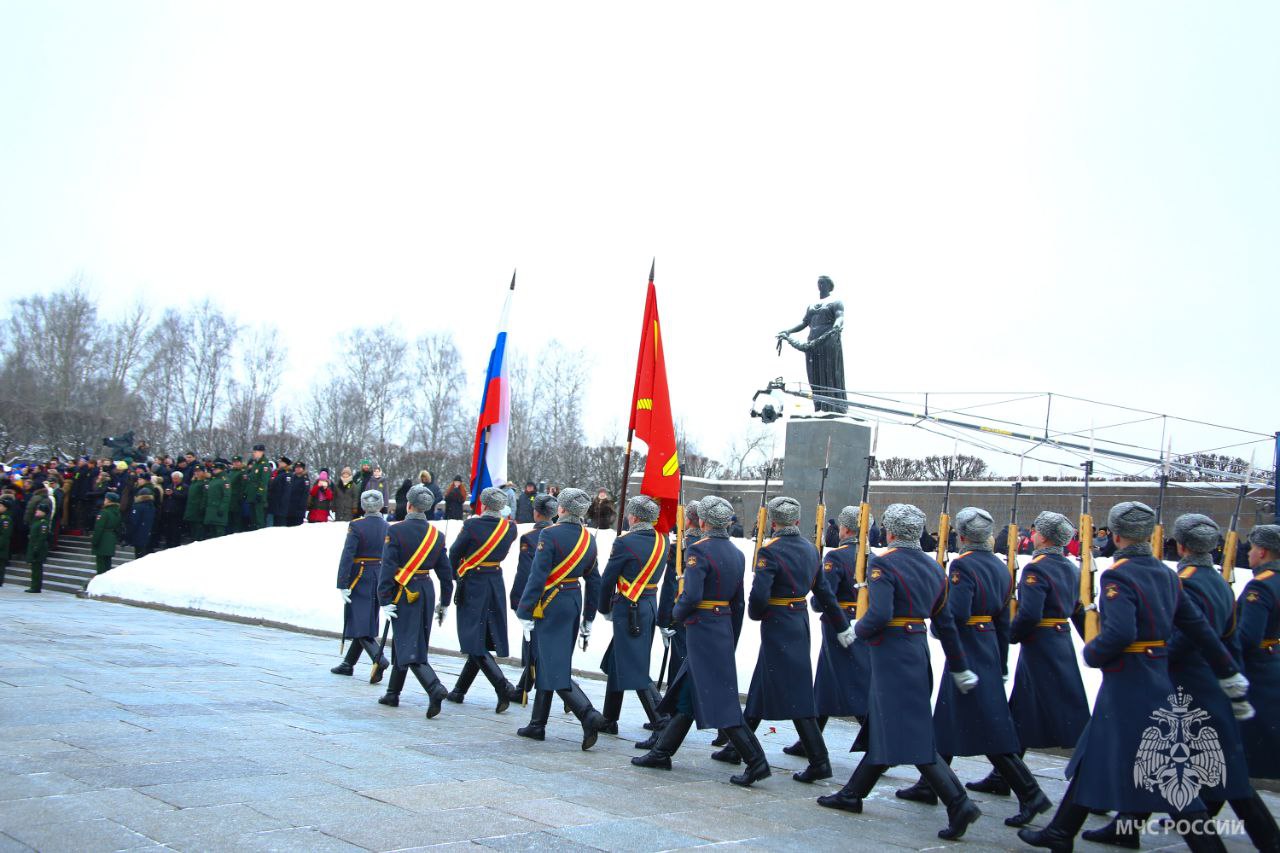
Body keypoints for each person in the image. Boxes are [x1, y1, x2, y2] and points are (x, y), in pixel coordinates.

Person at [1018, 501, 1250, 853]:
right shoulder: (1166, 573)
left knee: (1171, 775)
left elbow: (1121, 632)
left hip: (1129, 679)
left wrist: (1093, 652)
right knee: (1096, 753)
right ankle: (1062, 831)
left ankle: (1208, 848)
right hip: (1152, 676)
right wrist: (1228, 672)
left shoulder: (1119, 574)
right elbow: (1200, 630)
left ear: (1116, 534)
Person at [1085, 514, 1280, 850]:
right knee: (1190, 765)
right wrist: (1230, 672)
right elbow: (1227, 635)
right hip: (1203, 680)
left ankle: (1265, 838)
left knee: (1198, 771)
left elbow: (1189, 636)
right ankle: (1125, 826)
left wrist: (1155, 661)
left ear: (1182, 545)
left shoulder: (1187, 580)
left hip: (1186, 683)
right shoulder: (1219, 581)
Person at [818, 502, 982, 841]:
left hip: (892, 652)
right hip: (917, 648)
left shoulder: (884, 564)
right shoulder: (935, 568)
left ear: (890, 532)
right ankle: (853, 793)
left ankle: (958, 802)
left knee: (909, 733)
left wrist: (853, 632)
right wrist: (960, 665)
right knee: (891, 725)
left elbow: (879, 614)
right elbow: (945, 623)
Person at [896, 507, 1050, 828]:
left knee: (985, 728)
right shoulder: (1000, 566)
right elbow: (1004, 621)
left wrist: (940, 624)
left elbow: (958, 613)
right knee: (950, 719)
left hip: (966, 650)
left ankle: (1030, 792)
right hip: (988, 648)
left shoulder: (963, 566)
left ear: (962, 536)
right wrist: (1003, 660)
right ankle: (930, 784)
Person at [633, 495, 771, 785]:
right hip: (719, 628)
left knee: (719, 699)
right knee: (687, 694)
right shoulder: (737, 553)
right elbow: (738, 601)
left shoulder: (699, 551)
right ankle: (662, 751)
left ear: (704, 522)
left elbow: (692, 596)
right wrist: (731, 631)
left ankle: (756, 761)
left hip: (702, 628)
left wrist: (676, 614)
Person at [736, 496, 853, 784]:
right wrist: (841, 625)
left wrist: (755, 612)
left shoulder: (770, 552)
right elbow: (824, 593)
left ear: (773, 522)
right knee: (765, 681)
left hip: (777, 622)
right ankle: (736, 746)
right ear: (798, 521)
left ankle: (819, 759)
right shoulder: (812, 550)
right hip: (799, 620)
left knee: (796, 693)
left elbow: (761, 594)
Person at [995, 512, 1090, 797]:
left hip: (1040, 645)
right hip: (1059, 642)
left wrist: (1010, 635)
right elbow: (1077, 609)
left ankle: (1089, 773)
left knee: (1066, 715)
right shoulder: (1070, 567)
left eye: (1036, 531)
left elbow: (1030, 614)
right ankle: (1002, 775)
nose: (1032, 534)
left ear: (1045, 536)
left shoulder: (1037, 569)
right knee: (1022, 710)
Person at [513, 487, 610, 749]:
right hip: (572, 600)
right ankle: (537, 724)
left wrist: (524, 610)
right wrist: (589, 616)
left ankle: (588, 714)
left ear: (562, 509)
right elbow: (594, 579)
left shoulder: (549, 534)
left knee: (552, 664)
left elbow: (537, 576)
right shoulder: (589, 539)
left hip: (549, 604)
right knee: (549, 660)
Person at [783, 505, 870, 759]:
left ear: (845, 528)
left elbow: (824, 596)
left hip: (838, 622)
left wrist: (815, 602)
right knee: (825, 682)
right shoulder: (871, 556)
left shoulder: (837, 557)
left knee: (851, 682)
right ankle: (809, 738)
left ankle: (876, 738)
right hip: (861, 621)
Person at [376, 484, 454, 717]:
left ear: (409, 505)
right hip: (426, 591)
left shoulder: (396, 531)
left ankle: (434, 687)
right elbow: (445, 573)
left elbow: (388, 567)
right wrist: (445, 601)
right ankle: (393, 692)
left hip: (404, 591)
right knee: (409, 639)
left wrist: (384, 598)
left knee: (409, 644)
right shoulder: (436, 536)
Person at [597, 495, 669, 735]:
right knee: (621, 658)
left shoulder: (625, 542)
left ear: (635, 517)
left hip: (629, 608)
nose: (627, 517)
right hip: (648, 605)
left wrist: (604, 607)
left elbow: (608, 578)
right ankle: (609, 718)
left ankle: (661, 720)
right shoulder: (662, 540)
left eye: (629, 513)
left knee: (634, 665)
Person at [446, 487, 520, 710]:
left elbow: (454, 553)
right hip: (495, 582)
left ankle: (503, 686)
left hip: (473, 583)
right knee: (479, 638)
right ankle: (459, 691)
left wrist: (456, 575)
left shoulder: (471, 525)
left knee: (472, 638)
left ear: (484, 505)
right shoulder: (509, 529)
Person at [331, 490, 391, 679]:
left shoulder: (357, 526)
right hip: (379, 574)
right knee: (365, 620)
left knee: (360, 622)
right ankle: (348, 664)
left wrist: (342, 582)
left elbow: (348, 554)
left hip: (360, 576)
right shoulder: (387, 526)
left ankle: (379, 658)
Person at [1237, 524, 1280, 783]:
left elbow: (1248, 637)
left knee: (1243, 747)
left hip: (1255, 670)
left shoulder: (1260, 586)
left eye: (1252, 548)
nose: (1249, 553)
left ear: (1262, 552)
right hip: (1272, 660)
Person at [509, 493, 558, 700]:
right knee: (549, 645)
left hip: (537, 598)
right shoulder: (562, 534)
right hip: (559, 595)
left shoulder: (530, 537)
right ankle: (523, 687)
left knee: (534, 647)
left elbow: (526, 572)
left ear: (536, 513)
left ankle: (568, 694)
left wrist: (517, 599)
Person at [91, 492, 124, 574]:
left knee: (101, 565)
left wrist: (94, 541)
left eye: (106, 499)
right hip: (111, 539)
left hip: (103, 540)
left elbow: (99, 528)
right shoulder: (117, 512)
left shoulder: (105, 512)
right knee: (107, 564)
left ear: (109, 500)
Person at [129, 472, 158, 559]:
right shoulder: (143, 489)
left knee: (140, 551)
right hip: (146, 529)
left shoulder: (147, 490)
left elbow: (135, 520)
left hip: (142, 530)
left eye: (140, 479)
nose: (138, 480)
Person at [25, 499, 51, 593]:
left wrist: (36, 548)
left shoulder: (43, 523)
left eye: (39, 510)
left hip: (38, 548)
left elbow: (42, 537)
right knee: (34, 568)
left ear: (43, 512)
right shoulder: (37, 521)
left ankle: (36, 587)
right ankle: (34, 585)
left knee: (37, 569)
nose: (37, 511)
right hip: (33, 547)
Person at [244, 444, 270, 530]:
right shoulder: (256, 464)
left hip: (258, 495)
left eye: (255, 452)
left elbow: (264, 481)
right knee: (253, 519)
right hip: (252, 494)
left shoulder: (264, 465)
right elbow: (251, 479)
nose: (253, 453)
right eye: (253, 452)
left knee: (259, 519)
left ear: (261, 452)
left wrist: (260, 492)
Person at [203, 459, 231, 538]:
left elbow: (226, 496)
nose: (214, 470)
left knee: (219, 534)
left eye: (216, 469)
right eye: (213, 469)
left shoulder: (224, 480)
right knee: (212, 535)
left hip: (218, 509)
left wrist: (222, 508)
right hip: (211, 510)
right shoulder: (213, 479)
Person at [161, 472, 186, 549]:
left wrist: (173, 493)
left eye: (176, 478)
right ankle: (168, 543)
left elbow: (184, 497)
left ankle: (175, 544)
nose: (174, 480)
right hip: (168, 511)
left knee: (176, 530)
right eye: (173, 478)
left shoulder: (184, 487)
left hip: (177, 512)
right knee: (168, 529)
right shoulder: (169, 486)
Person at [184, 468, 208, 542]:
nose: (197, 473)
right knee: (193, 530)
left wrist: (202, 507)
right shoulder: (194, 482)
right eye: (196, 471)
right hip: (191, 509)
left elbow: (205, 496)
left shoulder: (204, 483)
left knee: (198, 530)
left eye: (199, 471)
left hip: (198, 509)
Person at [267, 456, 292, 526]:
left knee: (279, 525)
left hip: (281, 506)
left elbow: (286, 491)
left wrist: (282, 505)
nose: (279, 463)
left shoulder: (287, 474)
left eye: (281, 462)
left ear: (286, 464)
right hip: (274, 503)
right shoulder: (279, 473)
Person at [286, 461, 309, 526]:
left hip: (298, 510)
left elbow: (305, 495)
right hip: (290, 509)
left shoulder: (305, 479)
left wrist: (301, 507)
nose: (297, 469)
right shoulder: (292, 478)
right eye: (296, 467)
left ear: (303, 469)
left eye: (299, 468)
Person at [227, 456, 246, 534]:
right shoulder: (230, 472)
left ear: (241, 463)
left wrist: (240, 498)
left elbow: (243, 486)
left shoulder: (242, 473)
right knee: (230, 520)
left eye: (237, 462)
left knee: (236, 520)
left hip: (237, 499)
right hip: (230, 499)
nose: (235, 463)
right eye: (234, 462)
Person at [0, 496, 13, 586]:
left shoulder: (6, 519)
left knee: (0, 565)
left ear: (5, 507)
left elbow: (4, 535)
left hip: (2, 547)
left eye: (0, 506)